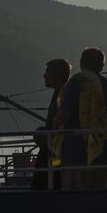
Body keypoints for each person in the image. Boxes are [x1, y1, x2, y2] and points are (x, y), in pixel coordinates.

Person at [55, 46, 107, 189]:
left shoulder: (78, 82)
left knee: (75, 194)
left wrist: (53, 126)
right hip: (102, 151)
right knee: (98, 191)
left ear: (82, 62)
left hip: (76, 151)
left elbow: (64, 115)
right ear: (102, 65)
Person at [33, 57, 71, 189]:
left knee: (50, 173)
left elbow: (61, 124)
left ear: (57, 74)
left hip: (57, 153)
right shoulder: (60, 92)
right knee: (46, 171)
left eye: (47, 71)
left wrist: (44, 134)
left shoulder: (64, 94)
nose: (44, 75)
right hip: (54, 151)